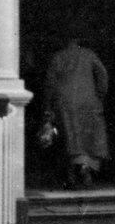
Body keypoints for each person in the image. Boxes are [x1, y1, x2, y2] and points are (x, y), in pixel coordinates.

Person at [44, 31, 109, 190]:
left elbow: (50, 83)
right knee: (89, 137)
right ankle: (85, 169)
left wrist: (47, 106)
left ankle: (71, 174)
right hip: (88, 100)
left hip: (64, 102)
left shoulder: (58, 57)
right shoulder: (89, 54)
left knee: (69, 137)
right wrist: (99, 94)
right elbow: (102, 74)